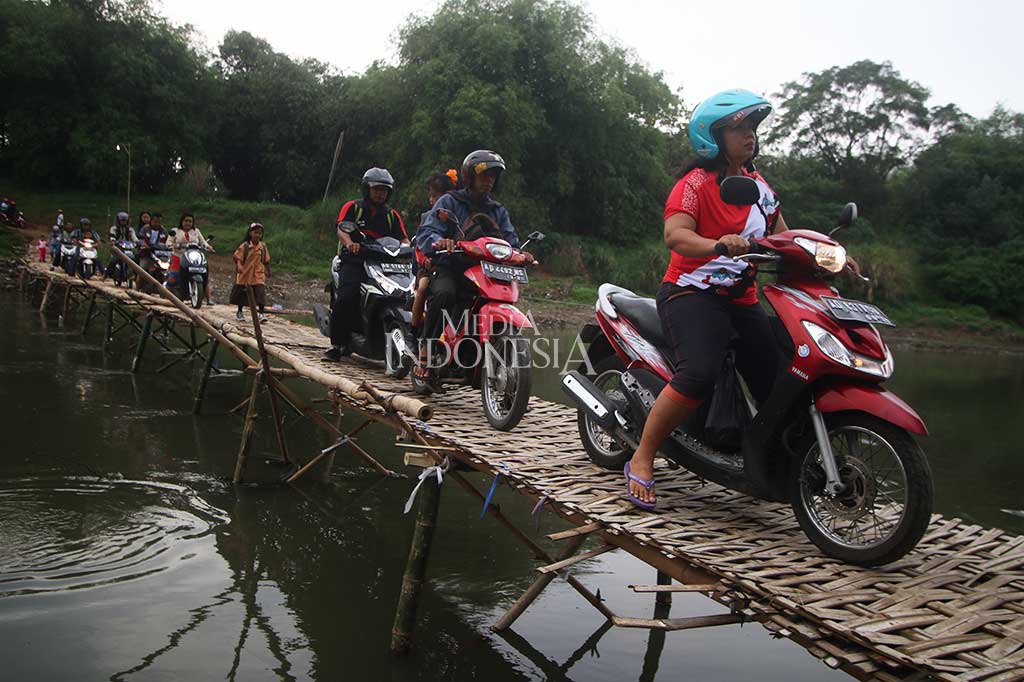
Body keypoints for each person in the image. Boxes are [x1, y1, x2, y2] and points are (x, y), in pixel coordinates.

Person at [623, 89, 789, 510]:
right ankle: (643, 456)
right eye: (739, 128)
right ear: (712, 136)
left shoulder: (760, 188)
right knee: (697, 373)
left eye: (753, 127)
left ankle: (772, 459)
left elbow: (784, 237)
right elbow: (676, 235)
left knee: (777, 379)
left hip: (742, 298)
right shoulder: (693, 184)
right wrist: (717, 245)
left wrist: (828, 255)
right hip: (690, 292)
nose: (750, 135)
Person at [414, 150, 532, 377]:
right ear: (469, 176)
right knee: (445, 293)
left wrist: (521, 254)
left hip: (487, 271)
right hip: (452, 266)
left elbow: (510, 241)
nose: (489, 181)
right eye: (484, 175)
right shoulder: (450, 201)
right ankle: (426, 349)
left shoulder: (497, 210)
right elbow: (428, 231)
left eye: (493, 176)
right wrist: (441, 241)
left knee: (500, 296)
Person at [323, 167, 409, 361]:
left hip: (383, 263)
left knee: (402, 294)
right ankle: (337, 344)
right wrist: (350, 244)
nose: (380, 193)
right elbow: (341, 229)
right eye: (376, 189)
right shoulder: (354, 207)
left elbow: (404, 238)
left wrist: (407, 249)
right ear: (367, 189)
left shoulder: (392, 215)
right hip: (355, 261)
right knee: (346, 297)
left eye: (384, 190)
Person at [411, 169, 458, 334]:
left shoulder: (454, 216)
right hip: (427, 264)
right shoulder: (427, 218)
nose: (433, 200)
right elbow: (421, 242)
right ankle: (414, 328)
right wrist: (424, 260)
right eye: (431, 196)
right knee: (423, 287)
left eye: (436, 196)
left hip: (449, 262)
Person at [230, 222, 271, 322]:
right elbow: (237, 257)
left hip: (258, 274)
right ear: (250, 233)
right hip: (245, 273)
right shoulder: (245, 246)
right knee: (242, 294)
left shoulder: (263, 247)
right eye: (255, 232)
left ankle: (261, 313)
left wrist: (268, 270)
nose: (257, 235)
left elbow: (266, 260)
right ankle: (240, 311)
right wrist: (239, 265)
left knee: (260, 292)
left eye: (259, 233)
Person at [167, 213, 214, 301]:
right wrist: (174, 245)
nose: (188, 223)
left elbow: (203, 242)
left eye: (190, 221)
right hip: (179, 257)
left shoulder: (196, 231)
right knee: (174, 276)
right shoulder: (175, 231)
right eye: (186, 221)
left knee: (204, 273)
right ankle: (167, 293)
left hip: (194, 257)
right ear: (181, 221)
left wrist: (208, 247)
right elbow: (168, 243)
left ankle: (209, 298)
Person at [102, 211, 138, 278]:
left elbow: (134, 237)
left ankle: (136, 274)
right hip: (117, 247)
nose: (123, 222)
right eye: (122, 220)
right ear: (118, 221)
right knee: (113, 260)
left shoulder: (130, 229)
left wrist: (137, 242)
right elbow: (112, 236)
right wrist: (113, 240)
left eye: (125, 221)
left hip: (127, 247)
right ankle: (106, 274)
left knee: (134, 258)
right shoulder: (114, 228)